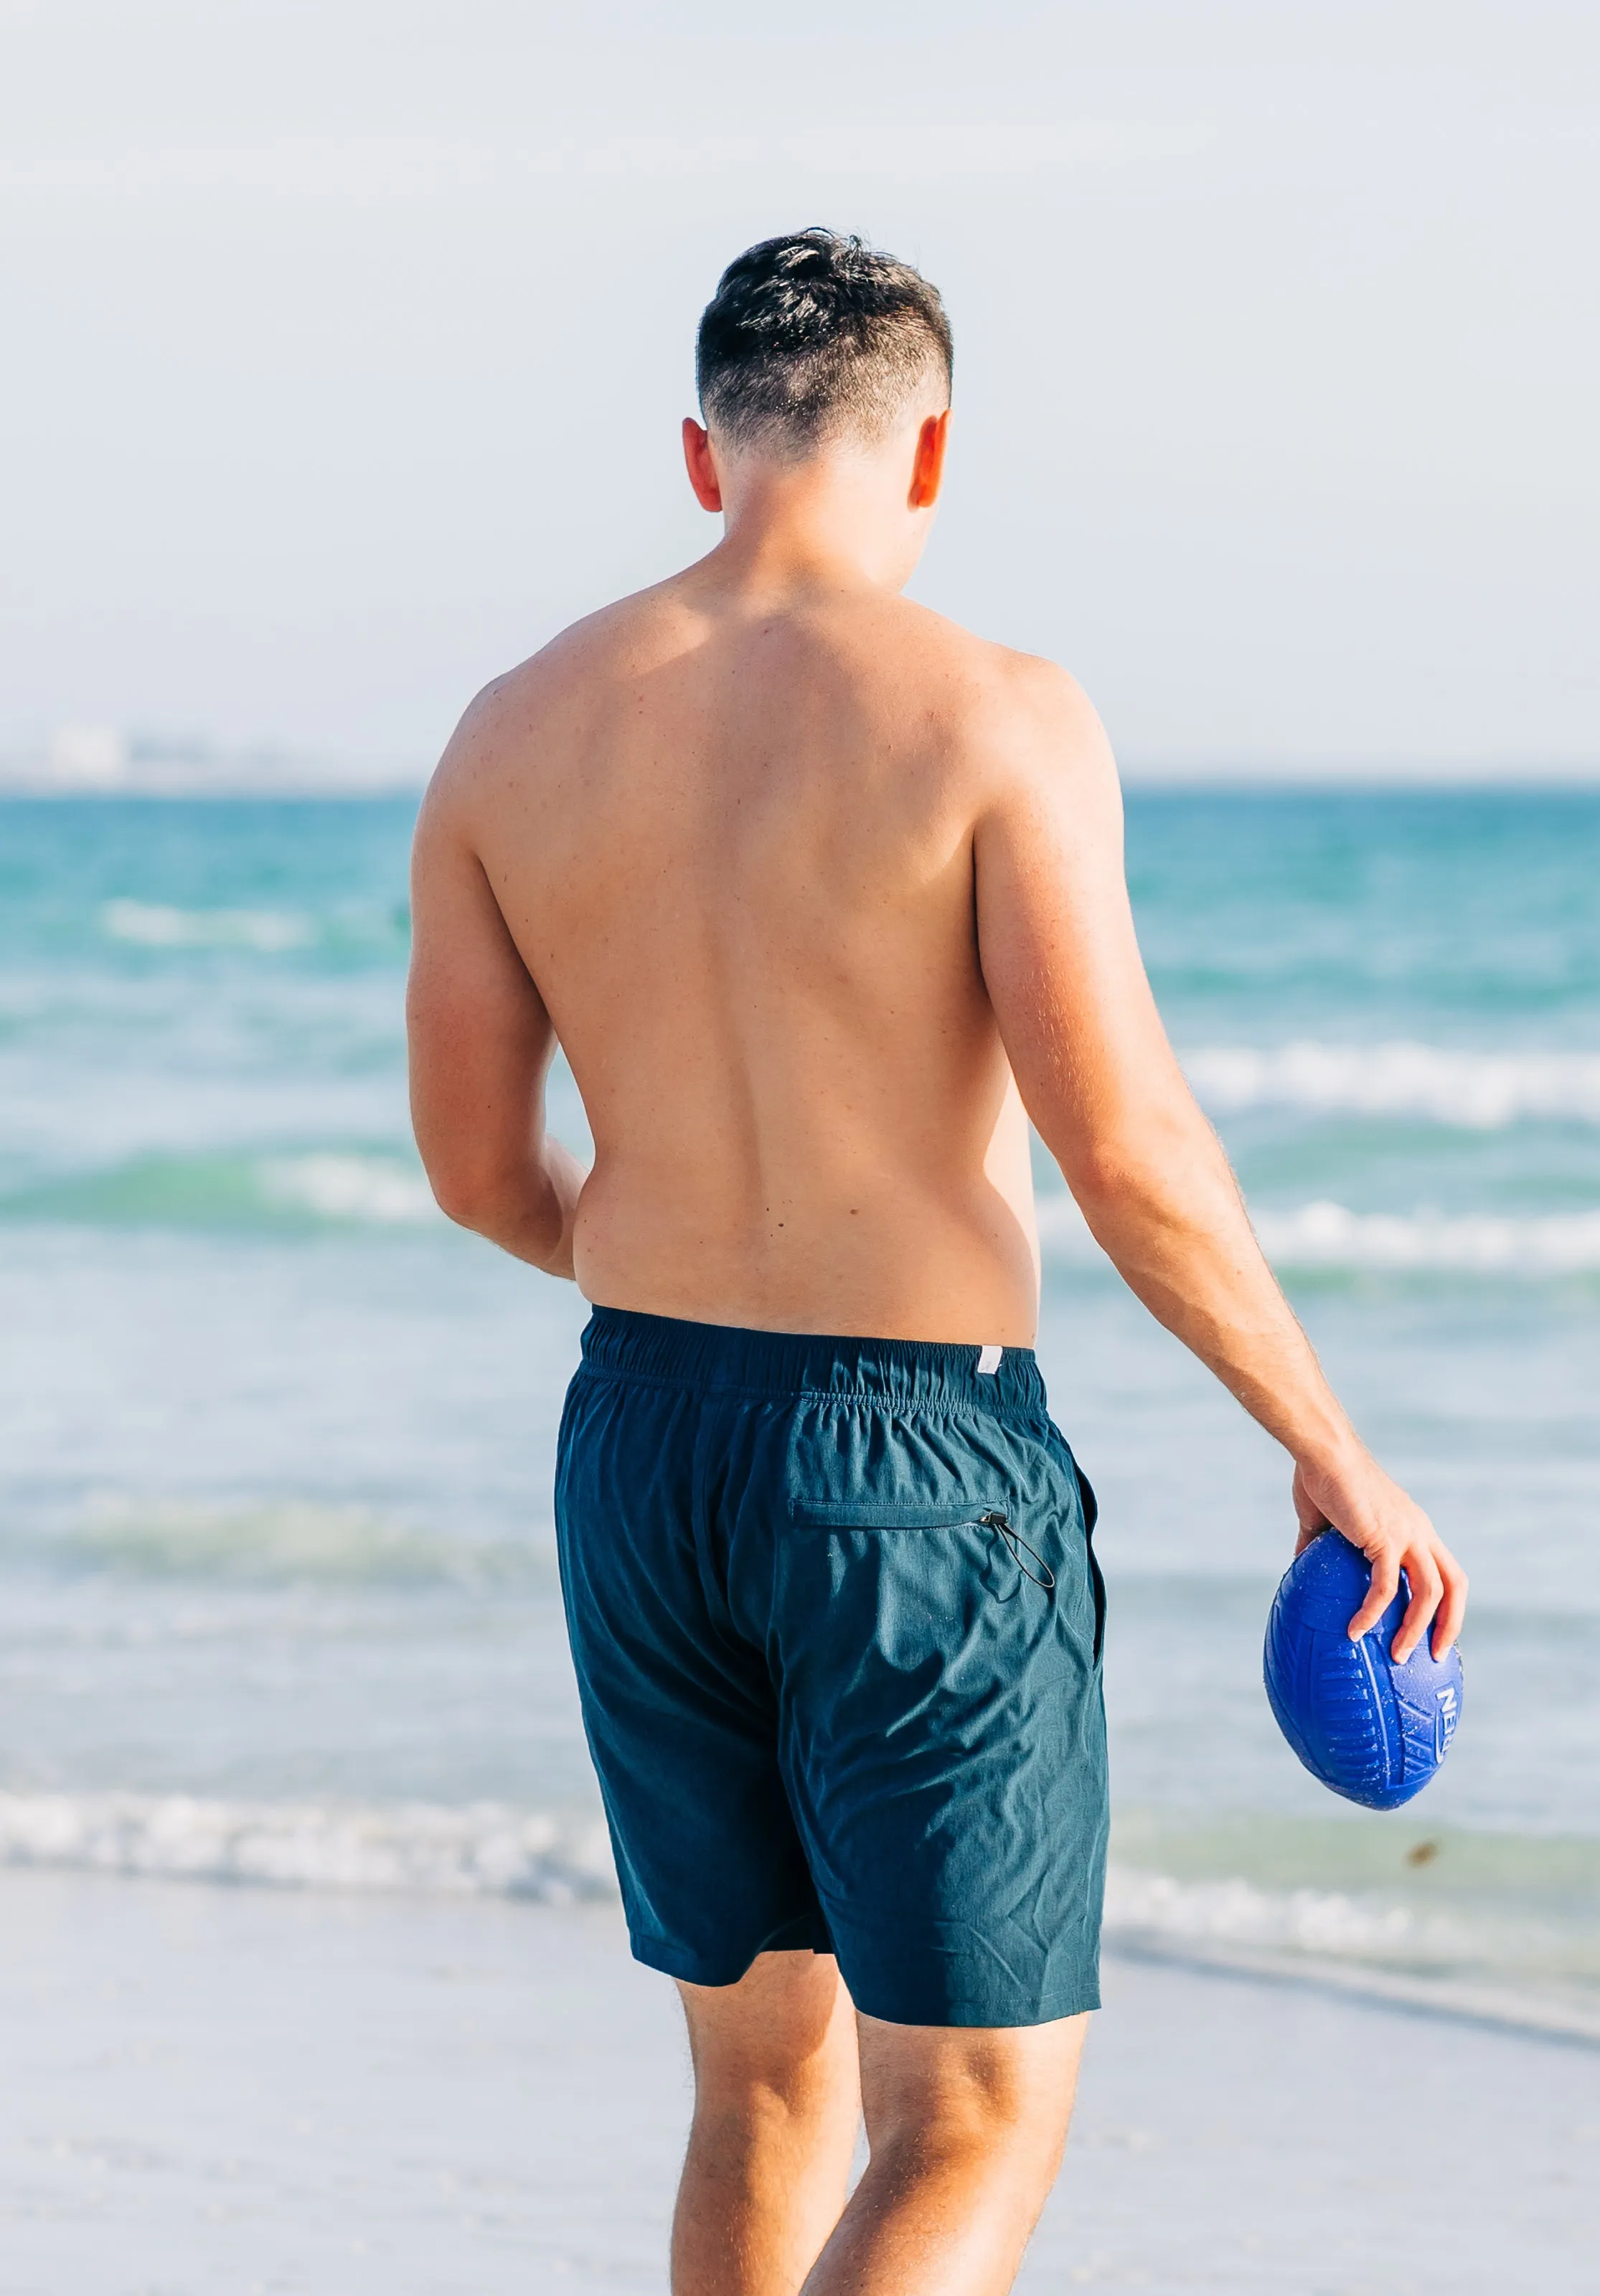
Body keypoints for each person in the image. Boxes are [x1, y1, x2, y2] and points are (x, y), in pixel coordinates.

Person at [405, 229, 1467, 2296]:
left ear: (704, 455)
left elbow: (474, 1173)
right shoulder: (994, 715)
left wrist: (682, 1269)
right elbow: (1131, 1152)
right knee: (969, 2120)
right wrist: (1331, 1444)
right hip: (909, 1469)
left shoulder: (512, 729)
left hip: (640, 1442)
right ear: (933, 453)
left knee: (762, 2093)